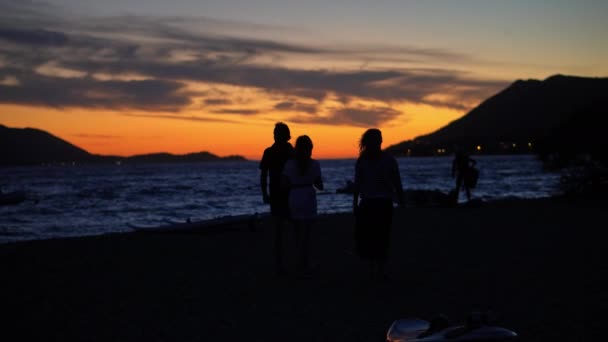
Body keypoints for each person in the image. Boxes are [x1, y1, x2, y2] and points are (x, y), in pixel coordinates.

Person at [352, 128, 405, 280]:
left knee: (380, 236)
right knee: (374, 236)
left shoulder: (386, 159)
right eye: (378, 139)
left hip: (380, 203)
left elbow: (397, 181)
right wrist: (355, 203)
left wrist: (401, 200)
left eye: (380, 138)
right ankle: (375, 268)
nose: (380, 141)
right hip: (372, 203)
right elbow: (358, 184)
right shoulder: (367, 160)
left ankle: (378, 268)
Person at [282, 135, 323, 276]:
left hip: (294, 196)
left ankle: (298, 262)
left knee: (297, 232)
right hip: (308, 196)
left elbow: (284, 185)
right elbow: (319, 185)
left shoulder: (289, 164)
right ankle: (304, 263)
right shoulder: (315, 164)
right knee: (307, 233)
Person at [259, 122, 294, 276]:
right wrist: (264, 193)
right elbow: (263, 174)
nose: (275, 134)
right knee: (281, 229)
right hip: (279, 194)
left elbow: (263, 175)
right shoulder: (270, 151)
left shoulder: (289, 151)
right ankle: (280, 264)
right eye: (275, 132)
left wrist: (265, 193)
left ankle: (285, 262)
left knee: (286, 228)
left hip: (288, 193)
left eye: (277, 132)